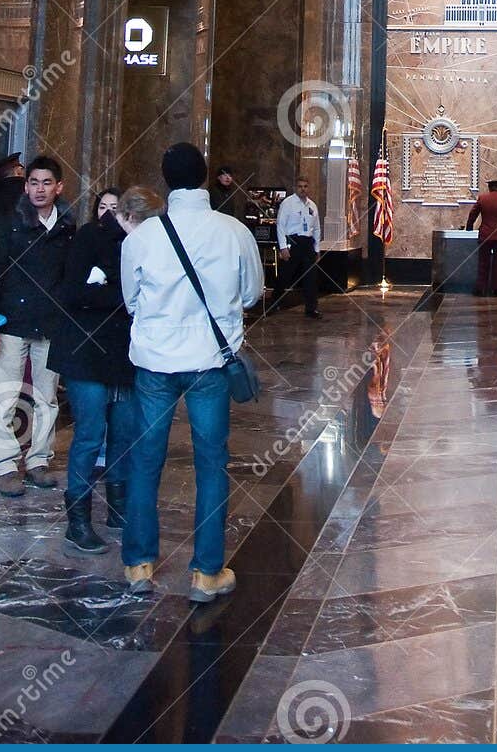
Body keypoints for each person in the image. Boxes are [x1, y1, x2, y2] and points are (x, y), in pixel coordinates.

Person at [120, 143, 263, 602]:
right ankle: (206, 572)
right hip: (209, 363)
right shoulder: (234, 231)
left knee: (144, 462)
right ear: (204, 177)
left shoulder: (140, 237)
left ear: (164, 179)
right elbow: (253, 294)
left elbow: (131, 301)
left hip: (155, 364)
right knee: (211, 463)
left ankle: (139, 564)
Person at [50, 185, 160, 554]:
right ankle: (77, 521)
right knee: (89, 435)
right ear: (127, 217)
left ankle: (118, 507)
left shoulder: (146, 243)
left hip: (126, 354)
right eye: (144, 224)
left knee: (124, 434)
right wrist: (124, 296)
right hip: (85, 353)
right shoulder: (90, 237)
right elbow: (71, 293)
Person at [0, 155, 76, 495]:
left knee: (47, 397)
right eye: (34, 182)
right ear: (26, 185)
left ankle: (38, 460)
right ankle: (5, 465)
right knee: (7, 394)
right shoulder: (10, 223)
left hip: (51, 323)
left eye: (46, 183)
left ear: (59, 187)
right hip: (12, 321)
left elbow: (69, 275)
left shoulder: (67, 226)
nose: (39, 189)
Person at [275, 177, 322, 319]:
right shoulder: (288, 203)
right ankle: (275, 301)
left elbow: (317, 228)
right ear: (296, 187)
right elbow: (281, 225)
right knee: (285, 274)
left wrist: (317, 248)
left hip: (307, 242)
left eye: (306, 186)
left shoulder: (312, 206)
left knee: (311, 277)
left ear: (309, 188)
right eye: (300, 186)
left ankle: (311, 308)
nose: (303, 189)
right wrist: (283, 247)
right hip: (293, 241)